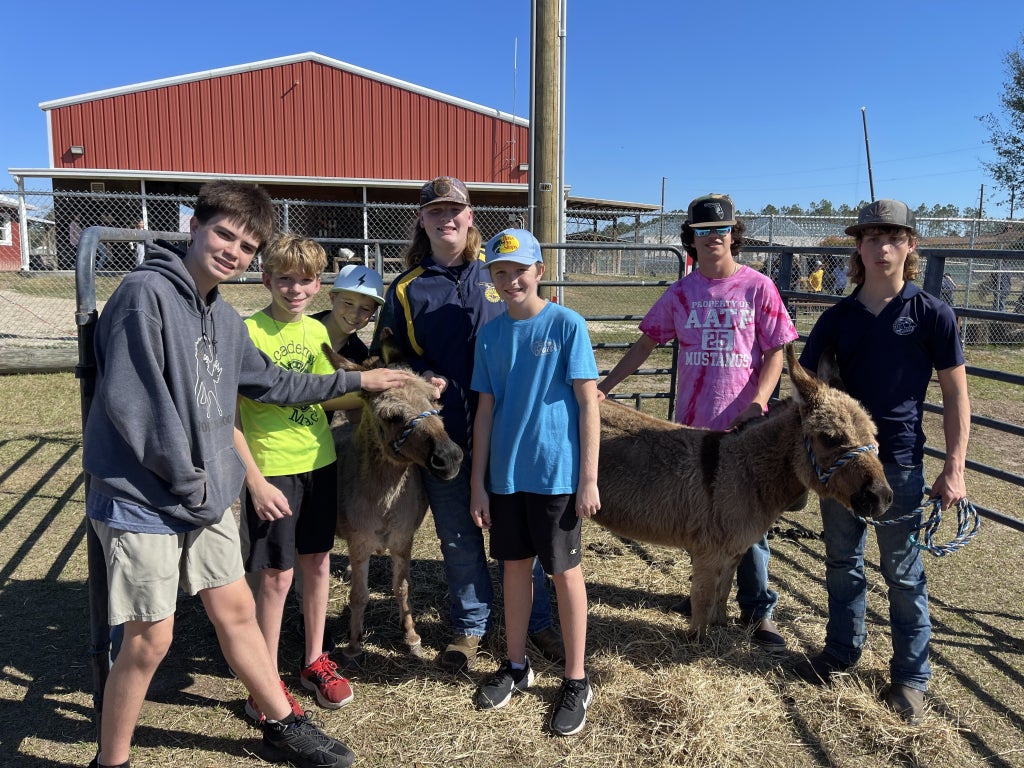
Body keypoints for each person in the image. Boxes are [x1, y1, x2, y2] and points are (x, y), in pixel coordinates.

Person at [81, 180, 411, 768]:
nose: (232, 250)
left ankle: (283, 724)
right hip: (146, 498)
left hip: (200, 495)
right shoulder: (144, 295)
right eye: (223, 234)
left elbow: (278, 384)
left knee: (235, 611)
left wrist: (360, 381)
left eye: (246, 243)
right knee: (149, 637)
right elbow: (136, 409)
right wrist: (195, 482)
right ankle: (112, 760)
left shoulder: (222, 320)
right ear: (194, 227)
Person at [374, 176, 562, 673]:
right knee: (458, 532)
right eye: (435, 211)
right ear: (422, 219)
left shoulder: (498, 273)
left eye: (454, 209)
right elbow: (389, 356)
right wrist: (419, 376)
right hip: (445, 433)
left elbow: (538, 330)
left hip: (511, 430)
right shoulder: (408, 288)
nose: (446, 218)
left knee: (518, 532)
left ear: (470, 215)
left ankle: (537, 620)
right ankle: (470, 625)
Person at [598, 193, 798, 653]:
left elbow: (775, 352)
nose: (713, 238)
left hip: (744, 429)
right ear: (691, 238)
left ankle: (757, 608)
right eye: (703, 231)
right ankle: (704, 604)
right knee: (704, 526)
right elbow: (646, 342)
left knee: (751, 525)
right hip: (691, 430)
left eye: (721, 230)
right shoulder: (682, 292)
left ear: (734, 235)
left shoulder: (758, 288)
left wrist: (760, 402)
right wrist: (605, 387)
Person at [796, 199, 971, 725]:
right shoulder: (836, 318)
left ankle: (911, 676)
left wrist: (955, 465)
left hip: (899, 464)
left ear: (911, 245)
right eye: (871, 237)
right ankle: (841, 651)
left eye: (892, 237)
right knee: (842, 561)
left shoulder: (931, 314)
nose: (881, 247)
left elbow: (957, 395)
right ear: (858, 247)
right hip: (844, 470)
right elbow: (809, 393)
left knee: (902, 571)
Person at [469, 229, 600, 736]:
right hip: (506, 476)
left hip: (555, 474)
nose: (510, 280)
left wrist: (588, 476)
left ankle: (575, 677)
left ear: (540, 270)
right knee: (514, 570)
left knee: (565, 573)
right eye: (500, 272)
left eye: (519, 270)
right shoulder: (491, 334)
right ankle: (516, 665)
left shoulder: (567, 324)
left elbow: (588, 402)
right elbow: (485, 411)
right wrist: (479, 483)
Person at [233, 234, 353, 723]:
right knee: (277, 576)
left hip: (319, 462)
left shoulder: (318, 334)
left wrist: (400, 384)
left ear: (318, 284)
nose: (295, 288)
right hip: (272, 468)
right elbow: (228, 418)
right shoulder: (246, 332)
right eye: (284, 278)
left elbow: (328, 396)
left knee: (318, 562)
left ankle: (312, 661)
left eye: (305, 280)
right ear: (266, 279)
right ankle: (264, 681)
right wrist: (255, 480)